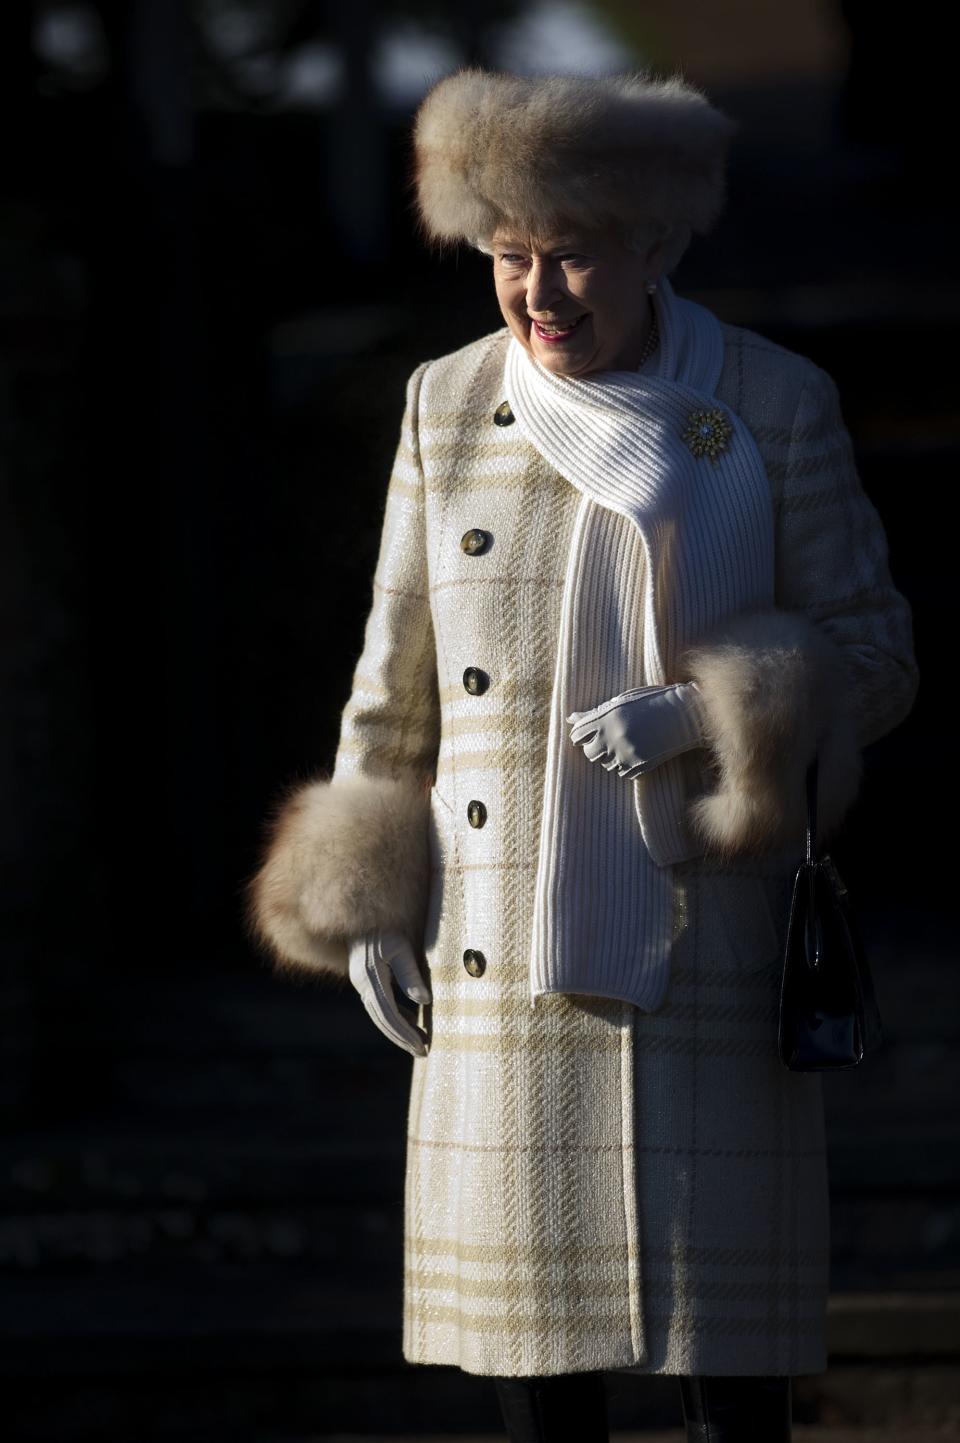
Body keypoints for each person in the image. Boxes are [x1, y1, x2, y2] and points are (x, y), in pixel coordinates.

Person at [248, 69, 919, 1443]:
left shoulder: (769, 403)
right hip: (501, 941)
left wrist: (700, 712)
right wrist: (369, 897)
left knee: (733, 1396)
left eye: (571, 253)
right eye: (508, 256)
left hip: (708, 945)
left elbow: (876, 655)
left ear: (659, 243)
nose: (538, 290)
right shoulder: (445, 405)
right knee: (537, 1394)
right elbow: (397, 681)